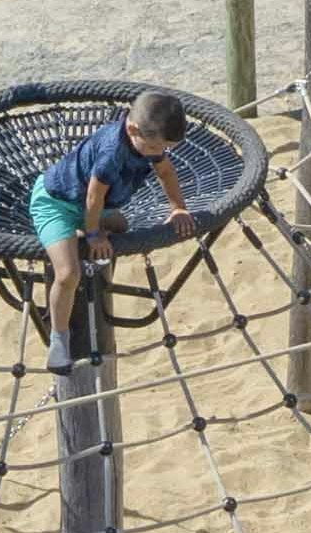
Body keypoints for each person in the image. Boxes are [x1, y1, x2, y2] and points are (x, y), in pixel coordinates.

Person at [31, 89, 202, 370]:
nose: (158, 154)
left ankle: (82, 233)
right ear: (132, 128)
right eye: (153, 148)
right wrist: (95, 233)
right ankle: (59, 338)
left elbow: (166, 172)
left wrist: (178, 208)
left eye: (164, 149)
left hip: (97, 205)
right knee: (68, 273)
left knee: (121, 228)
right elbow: (93, 198)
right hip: (57, 203)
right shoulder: (112, 151)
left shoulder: (150, 142)